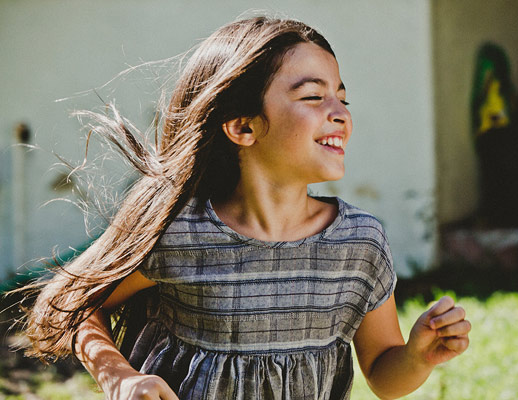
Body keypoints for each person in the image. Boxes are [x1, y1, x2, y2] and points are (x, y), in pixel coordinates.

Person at [22, 16, 471, 400]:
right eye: (313, 96)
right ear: (242, 126)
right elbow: (69, 303)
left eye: (342, 97)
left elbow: (382, 372)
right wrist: (119, 376)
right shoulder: (179, 232)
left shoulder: (360, 242)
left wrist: (416, 357)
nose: (340, 112)